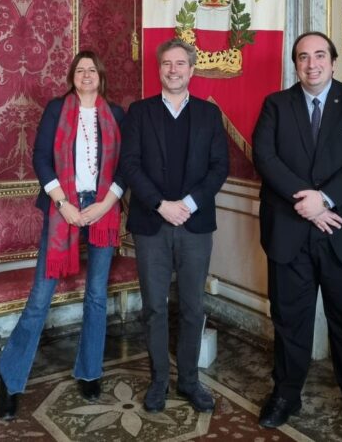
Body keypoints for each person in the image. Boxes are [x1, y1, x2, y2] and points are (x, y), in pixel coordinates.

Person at [252, 32, 342, 441]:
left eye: (320, 56)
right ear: (294, 63)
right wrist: (306, 202)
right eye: (303, 57)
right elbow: (265, 157)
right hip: (290, 232)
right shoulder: (276, 105)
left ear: (333, 61)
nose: (312, 64)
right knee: (289, 319)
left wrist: (324, 199)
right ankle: (285, 395)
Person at [0, 51, 125, 420]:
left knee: (96, 296)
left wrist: (104, 205)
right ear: (72, 77)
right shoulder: (56, 109)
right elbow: (40, 157)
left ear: (101, 76)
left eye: (92, 70)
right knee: (40, 297)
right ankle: (10, 380)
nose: (86, 75)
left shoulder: (117, 114)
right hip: (62, 206)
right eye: (80, 70)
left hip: (103, 208)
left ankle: (90, 372)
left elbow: (125, 165)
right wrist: (63, 203)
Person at [120, 38, 229, 414]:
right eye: (167, 63)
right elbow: (130, 163)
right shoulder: (139, 112)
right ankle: (158, 382)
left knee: (193, 307)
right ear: (159, 69)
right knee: (154, 306)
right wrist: (161, 204)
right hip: (151, 223)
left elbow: (220, 167)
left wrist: (189, 204)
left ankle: (189, 381)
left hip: (195, 225)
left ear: (192, 69)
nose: (174, 70)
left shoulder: (209, 114)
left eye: (180, 63)